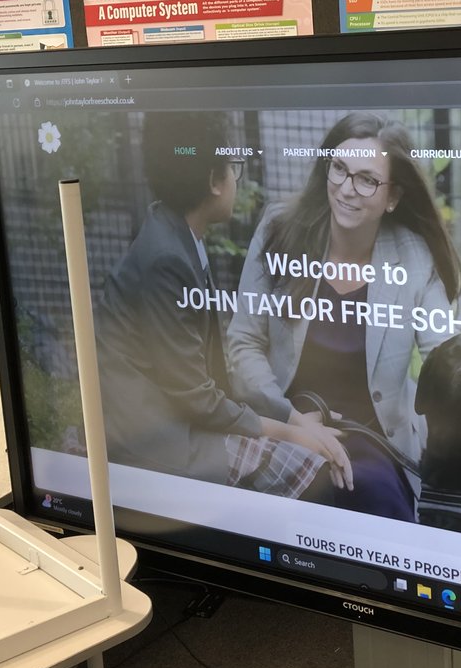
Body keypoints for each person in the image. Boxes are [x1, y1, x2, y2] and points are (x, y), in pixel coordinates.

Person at [94, 111, 351, 501]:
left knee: (303, 454)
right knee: (310, 469)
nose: (237, 178)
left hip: (176, 422)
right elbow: (196, 396)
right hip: (160, 441)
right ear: (214, 180)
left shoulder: (174, 235)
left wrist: (293, 420)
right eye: (235, 168)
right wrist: (293, 433)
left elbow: (204, 383)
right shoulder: (167, 259)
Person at [227, 112, 461, 520]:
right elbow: (244, 342)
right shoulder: (279, 229)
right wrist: (295, 424)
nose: (347, 189)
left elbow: (445, 357)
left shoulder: (414, 256)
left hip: (373, 438)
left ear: (392, 197)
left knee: (377, 503)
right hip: (286, 425)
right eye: (339, 169)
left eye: (367, 179)